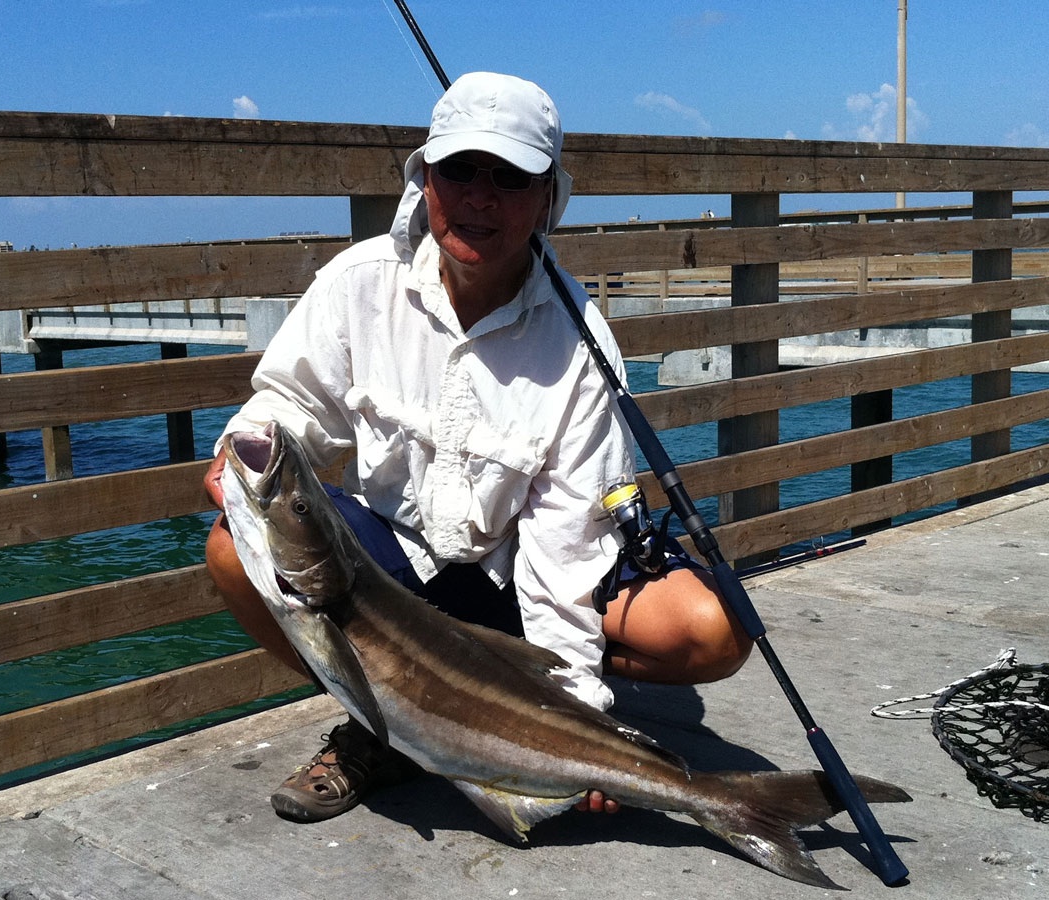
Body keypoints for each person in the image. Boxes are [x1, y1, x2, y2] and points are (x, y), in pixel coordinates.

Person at [203, 71, 751, 824]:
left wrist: (579, 718)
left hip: (515, 581)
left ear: (548, 199)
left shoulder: (582, 346)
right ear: (425, 179)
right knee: (236, 547)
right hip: (394, 570)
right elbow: (287, 407)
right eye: (459, 169)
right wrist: (246, 444)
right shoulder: (357, 283)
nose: (480, 197)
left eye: (511, 178)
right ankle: (380, 729)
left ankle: (520, 718)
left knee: (709, 629)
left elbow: (565, 553)